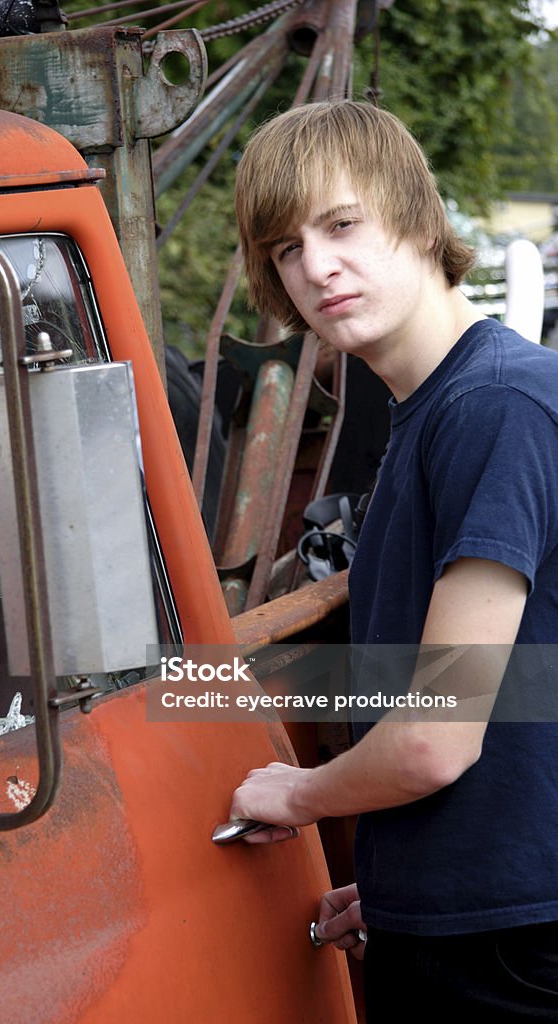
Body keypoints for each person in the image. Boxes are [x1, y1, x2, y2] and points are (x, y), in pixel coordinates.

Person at [228, 100, 558, 1022]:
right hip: (475, 921)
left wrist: (297, 791)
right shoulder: (442, 411)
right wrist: (419, 882)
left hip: (513, 956)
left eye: (341, 225)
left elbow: (433, 737)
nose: (316, 266)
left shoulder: (494, 408)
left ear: (416, 217)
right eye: (287, 248)